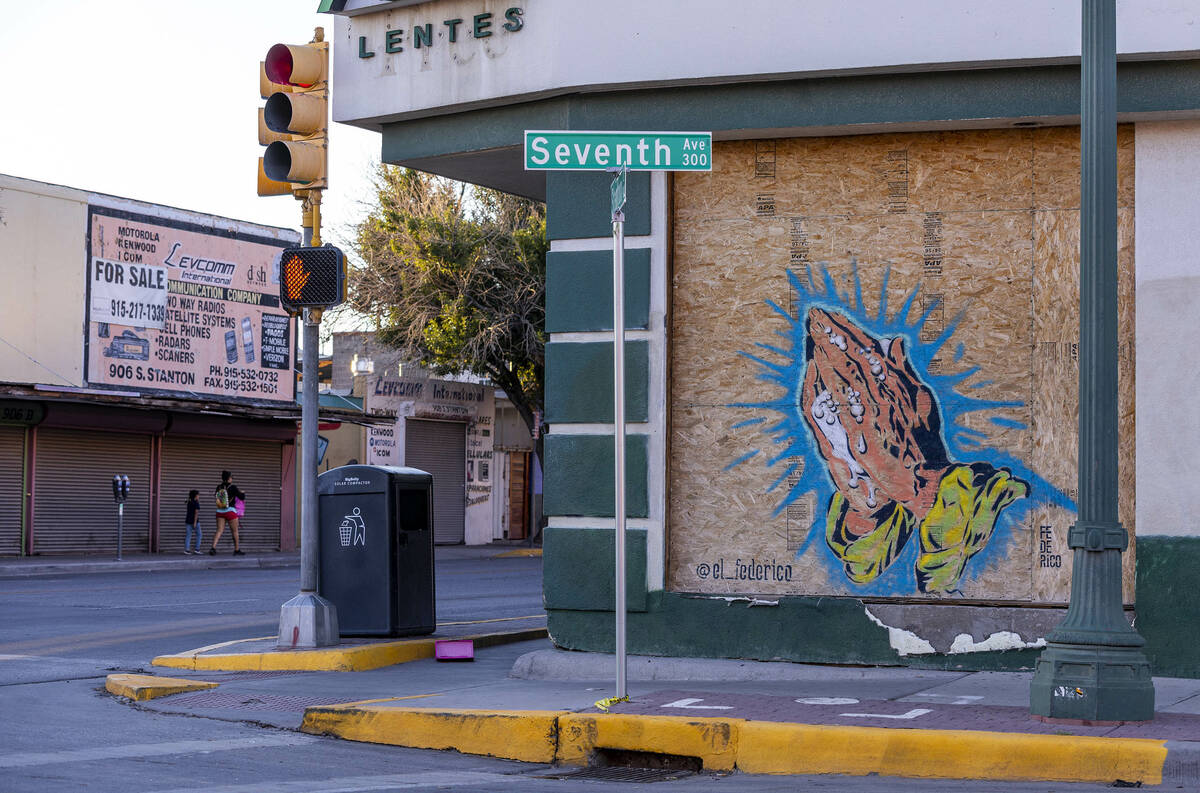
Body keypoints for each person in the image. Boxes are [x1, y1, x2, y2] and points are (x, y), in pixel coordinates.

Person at [208, 471, 246, 556]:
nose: (232, 478)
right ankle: (236, 550)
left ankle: (213, 548)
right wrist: (242, 493)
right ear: (229, 478)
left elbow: (216, 497)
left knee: (219, 530)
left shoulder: (218, 487)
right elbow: (241, 497)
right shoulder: (233, 487)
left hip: (219, 512)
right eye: (231, 477)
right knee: (235, 531)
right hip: (230, 512)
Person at [184, 490, 202, 554]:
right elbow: (196, 513)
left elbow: (186, 501)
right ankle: (197, 549)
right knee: (199, 535)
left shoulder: (189, 501)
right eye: (198, 495)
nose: (199, 496)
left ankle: (186, 550)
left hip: (188, 520)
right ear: (196, 495)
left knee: (188, 535)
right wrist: (195, 522)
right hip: (194, 521)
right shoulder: (196, 503)